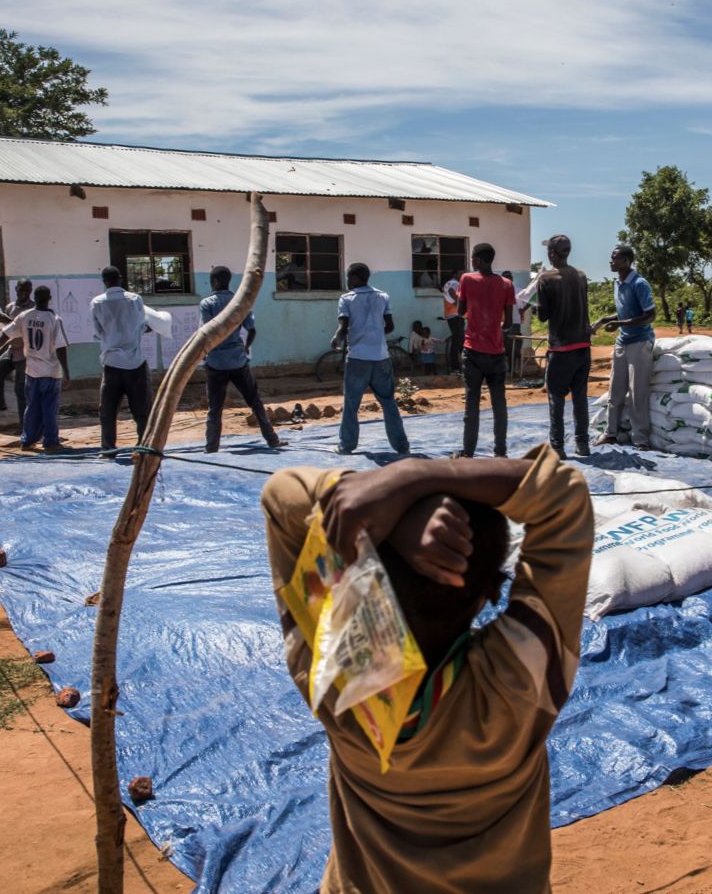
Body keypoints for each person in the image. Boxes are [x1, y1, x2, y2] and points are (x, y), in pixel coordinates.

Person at [261, 446, 592, 894]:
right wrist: (421, 476)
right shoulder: (520, 682)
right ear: (493, 592)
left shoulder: (336, 674)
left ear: (362, 577)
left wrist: (382, 499)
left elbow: (281, 495)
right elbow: (564, 494)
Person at [199, 265, 284, 453]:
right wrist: (245, 348)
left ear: (214, 282)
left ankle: (211, 447)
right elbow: (252, 330)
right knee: (255, 401)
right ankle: (272, 440)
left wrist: (206, 352)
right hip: (238, 360)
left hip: (216, 362)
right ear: (228, 281)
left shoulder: (207, 304)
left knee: (215, 407)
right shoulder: (241, 303)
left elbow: (206, 333)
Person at [334, 262, 410, 455]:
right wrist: (374, 334)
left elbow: (343, 328)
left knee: (351, 403)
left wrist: (336, 339)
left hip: (358, 357)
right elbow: (390, 326)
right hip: (381, 356)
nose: (347, 280)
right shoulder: (383, 296)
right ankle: (401, 446)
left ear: (357, 278)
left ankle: (346, 445)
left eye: (349, 276)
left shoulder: (346, 299)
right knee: (388, 402)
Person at [0, 286, 70, 450]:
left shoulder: (24, 316)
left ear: (35, 297)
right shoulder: (54, 319)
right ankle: (50, 441)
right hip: (50, 372)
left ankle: (27, 440)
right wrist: (66, 372)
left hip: (31, 371)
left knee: (31, 407)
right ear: (49, 298)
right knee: (49, 408)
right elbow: (60, 347)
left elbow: (5, 334)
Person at [535, 234, 592, 457]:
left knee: (556, 399)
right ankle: (582, 444)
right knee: (580, 397)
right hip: (582, 346)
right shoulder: (581, 276)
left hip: (560, 349)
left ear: (551, 254)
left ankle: (557, 446)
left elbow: (542, 316)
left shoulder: (546, 279)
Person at [455, 244, 515, 459]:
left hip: (473, 351)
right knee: (500, 405)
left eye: (473, 257)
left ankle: (468, 452)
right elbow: (508, 323)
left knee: (472, 404)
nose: (471, 261)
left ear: (479, 260)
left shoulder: (467, 280)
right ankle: (501, 451)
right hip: (496, 352)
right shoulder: (507, 284)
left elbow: (461, 311)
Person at [593, 245, 656, 449]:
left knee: (637, 392)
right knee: (615, 391)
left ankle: (641, 439)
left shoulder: (639, 284)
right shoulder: (617, 283)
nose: (611, 262)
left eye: (615, 259)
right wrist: (603, 320)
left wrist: (621, 325)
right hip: (622, 342)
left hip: (639, 342)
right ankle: (611, 433)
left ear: (627, 261)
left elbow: (650, 315)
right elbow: (623, 312)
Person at [91, 265, 150, 455]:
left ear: (104, 282)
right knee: (141, 409)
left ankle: (108, 447)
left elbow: (98, 332)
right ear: (120, 279)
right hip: (135, 362)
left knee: (108, 411)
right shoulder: (135, 300)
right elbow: (142, 325)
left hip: (111, 362)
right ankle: (144, 444)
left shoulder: (97, 303)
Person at [0, 279, 34, 419]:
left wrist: (6, 320)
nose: (23, 293)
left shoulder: (33, 309)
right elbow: (6, 333)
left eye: (26, 290)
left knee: (20, 389)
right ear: (16, 289)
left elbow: (24, 330)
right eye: (21, 290)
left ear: (30, 291)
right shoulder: (10, 307)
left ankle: (24, 424)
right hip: (12, 349)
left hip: (25, 353)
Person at [442, 271, 466, 373]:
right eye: (461, 273)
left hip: (452, 315)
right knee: (457, 341)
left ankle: (460, 366)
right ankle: (455, 367)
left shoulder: (450, 283)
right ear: (455, 274)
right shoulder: (454, 283)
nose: (463, 275)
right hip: (455, 314)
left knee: (459, 341)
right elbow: (452, 292)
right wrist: (459, 305)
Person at [501, 270, 524, 368]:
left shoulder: (498, 291)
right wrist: (520, 314)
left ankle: (503, 369)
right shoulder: (518, 290)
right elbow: (521, 308)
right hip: (514, 322)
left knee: (503, 345)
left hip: (501, 323)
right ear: (512, 279)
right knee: (513, 346)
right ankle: (511, 369)